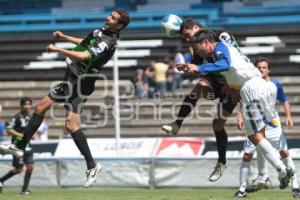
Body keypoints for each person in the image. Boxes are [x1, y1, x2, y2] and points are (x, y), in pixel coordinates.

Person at [0, 8, 130, 187]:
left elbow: (84, 55)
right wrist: (65, 37)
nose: (109, 17)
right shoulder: (100, 32)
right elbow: (84, 44)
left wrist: (58, 49)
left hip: (79, 82)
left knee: (54, 116)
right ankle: (90, 165)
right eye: (110, 15)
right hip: (74, 78)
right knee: (56, 116)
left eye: (113, 17)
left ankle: (21, 147)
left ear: (119, 24)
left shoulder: (109, 40)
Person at [177, 30, 294, 191]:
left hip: (251, 89)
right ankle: (269, 174)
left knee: (254, 135)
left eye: (197, 48)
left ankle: (281, 171)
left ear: (206, 43)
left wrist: (199, 67)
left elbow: (225, 64)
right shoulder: (221, 50)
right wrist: (193, 68)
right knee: (260, 133)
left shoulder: (219, 48)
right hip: (258, 86)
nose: (197, 52)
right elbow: (228, 69)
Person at [161, 18, 238, 182]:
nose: (189, 39)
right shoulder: (195, 44)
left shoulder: (220, 35)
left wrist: (233, 84)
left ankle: (222, 161)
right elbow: (197, 62)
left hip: (233, 82)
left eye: (189, 35)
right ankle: (177, 124)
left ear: (196, 27)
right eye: (186, 38)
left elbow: (234, 59)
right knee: (198, 88)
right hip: (216, 79)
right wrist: (187, 66)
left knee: (217, 124)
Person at [235, 57, 300, 198]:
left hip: (272, 124)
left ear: (268, 69)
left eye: (264, 67)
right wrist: (240, 116)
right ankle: (242, 189)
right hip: (254, 123)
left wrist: (288, 116)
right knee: (247, 155)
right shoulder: (249, 84)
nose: (261, 69)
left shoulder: (275, 84)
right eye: (258, 67)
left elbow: (284, 100)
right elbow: (242, 101)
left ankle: (295, 186)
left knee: (284, 153)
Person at [0, 97, 34, 195]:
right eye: (25, 104)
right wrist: (20, 135)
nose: (27, 106)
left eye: (29, 104)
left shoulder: (30, 117)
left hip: (28, 146)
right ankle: (1, 180)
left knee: (30, 167)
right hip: (18, 147)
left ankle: (24, 189)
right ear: (21, 105)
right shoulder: (16, 117)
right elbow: (9, 130)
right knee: (19, 169)